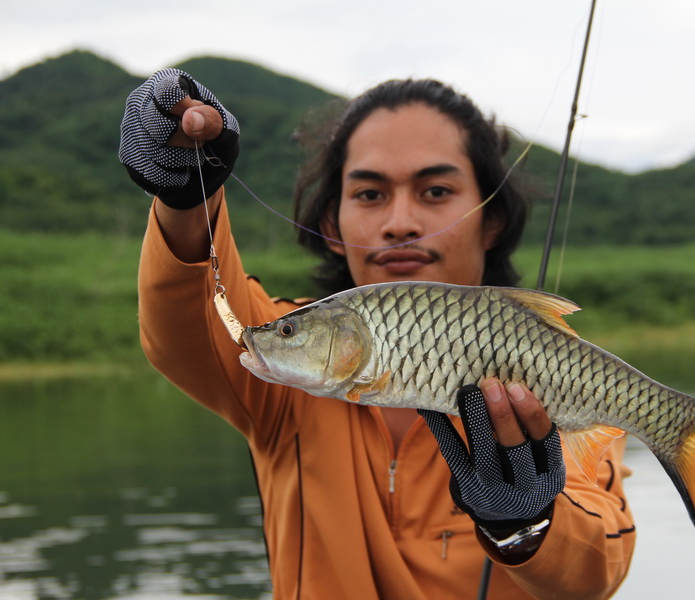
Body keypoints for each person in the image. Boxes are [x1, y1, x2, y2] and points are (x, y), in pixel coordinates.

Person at [119, 69, 635, 599]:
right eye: (369, 193)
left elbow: (599, 570)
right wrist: (185, 190)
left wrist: (527, 526)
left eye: (435, 190)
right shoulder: (287, 361)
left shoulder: (555, 369)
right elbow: (187, 318)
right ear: (333, 225)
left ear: (492, 220)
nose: (401, 222)